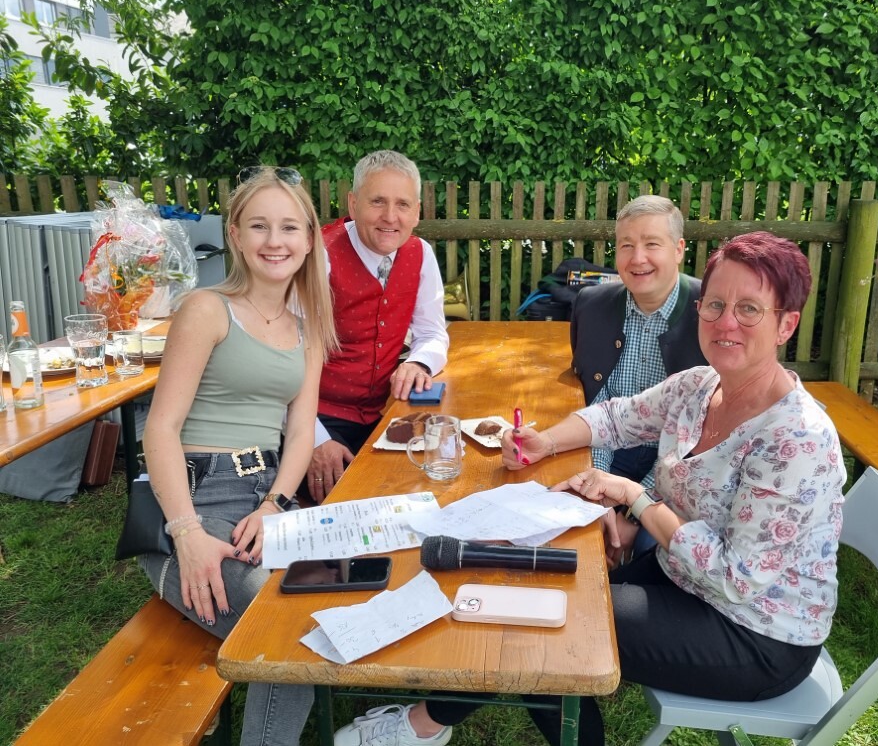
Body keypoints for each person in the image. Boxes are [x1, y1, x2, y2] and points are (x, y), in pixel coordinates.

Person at [332, 232, 846, 746]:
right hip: (682, 576)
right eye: (715, 304)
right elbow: (617, 417)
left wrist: (634, 497)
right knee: (538, 597)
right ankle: (428, 723)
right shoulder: (700, 385)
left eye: (749, 309)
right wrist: (545, 442)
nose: (726, 322)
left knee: (548, 627)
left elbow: (737, 579)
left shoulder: (796, 438)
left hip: (754, 632)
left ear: (786, 324)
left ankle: (423, 725)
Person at [139, 166, 338, 746]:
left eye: (289, 227)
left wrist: (276, 504)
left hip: (266, 497)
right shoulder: (207, 309)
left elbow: (299, 434)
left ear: (309, 240)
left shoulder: (309, 327)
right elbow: (160, 429)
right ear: (235, 234)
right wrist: (187, 533)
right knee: (287, 626)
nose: (275, 241)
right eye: (259, 226)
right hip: (194, 500)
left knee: (335, 598)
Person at [307, 150, 449, 502]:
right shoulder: (318, 256)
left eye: (402, 204)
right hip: (318, 416)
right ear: (353, 204)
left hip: (386, 410)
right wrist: (313, 440)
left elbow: (433, 333)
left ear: (417, 211)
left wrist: (418, 362)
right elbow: (281, 358)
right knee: (349, 502)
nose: (390, 216)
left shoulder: (420, 253)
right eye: (377, 202)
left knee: (435, 473)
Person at [571, 194, 706, 563]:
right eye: (626, 245)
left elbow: (703, 437)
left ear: (679, 250)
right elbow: (596, 403)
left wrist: (635, 512)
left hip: (679, 470)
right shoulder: (590, 305)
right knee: (559, 527)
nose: (637, 258)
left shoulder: (711, 315)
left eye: (652, 244)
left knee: (654, 554)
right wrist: (597, 491)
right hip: (604, 454)